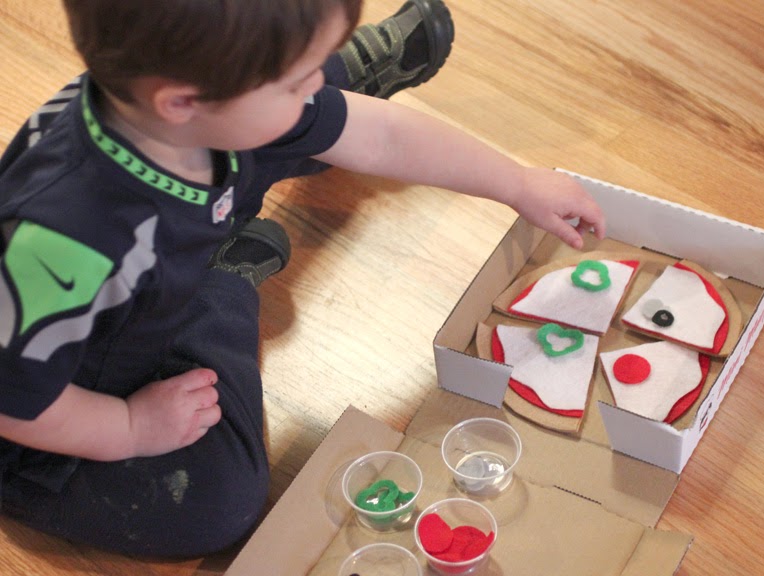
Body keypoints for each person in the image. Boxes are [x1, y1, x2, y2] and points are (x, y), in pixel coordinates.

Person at [0, 0, 606, 558]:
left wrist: (516, 182)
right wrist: (131, 429)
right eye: (299, 78)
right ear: (182, 101)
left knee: (298, 122)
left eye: (315, 66)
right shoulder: (61, 248)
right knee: (215, 504)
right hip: (56, 411)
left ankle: (329, 77)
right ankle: (226, 279)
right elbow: (17, 405)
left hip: (163, 254)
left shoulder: (180, 106)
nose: (313, 86)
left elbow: (381, 135)